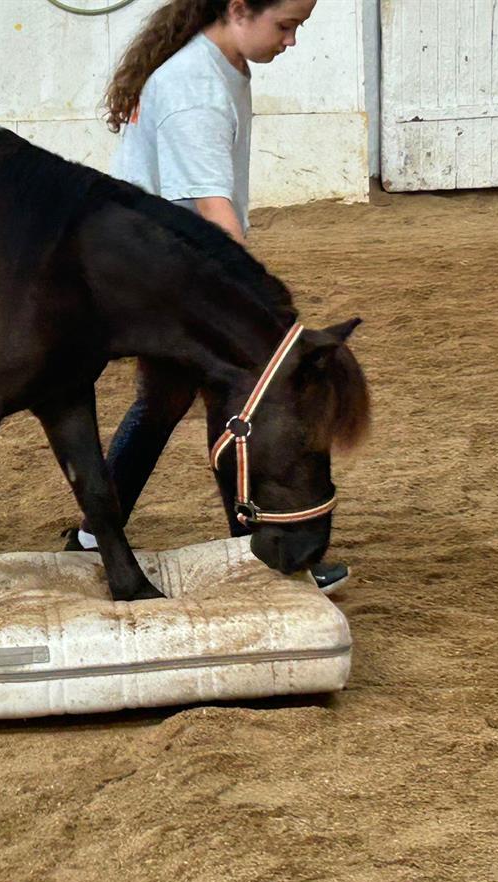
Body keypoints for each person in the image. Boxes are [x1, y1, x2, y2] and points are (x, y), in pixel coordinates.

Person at [65, 0, 350, 594]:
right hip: (156, 277)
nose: (291, 41)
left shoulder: (220, 67)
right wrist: (259, 308)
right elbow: (213, 212)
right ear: (240, 9)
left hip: (169, 270)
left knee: (167, 402)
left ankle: (95, 531)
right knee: (239, 396)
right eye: (286, 25)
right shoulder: (194, 87)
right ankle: (256, 547)